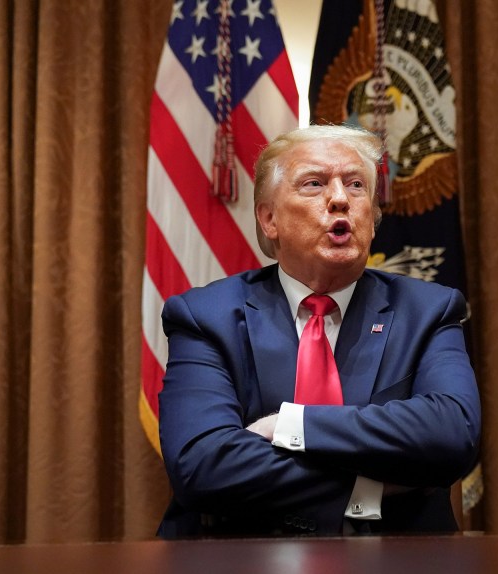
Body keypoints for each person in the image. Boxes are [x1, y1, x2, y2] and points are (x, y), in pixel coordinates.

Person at [157, 124, 481, 537]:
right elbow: (203, 465)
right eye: (314, 183)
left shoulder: (428, 311)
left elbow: (452, 434)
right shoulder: (205, 316)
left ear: (373, 216)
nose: (341, 199)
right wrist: (375, 485)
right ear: (269, 218)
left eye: (356, 185)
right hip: (241, 557)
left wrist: (291, 426)